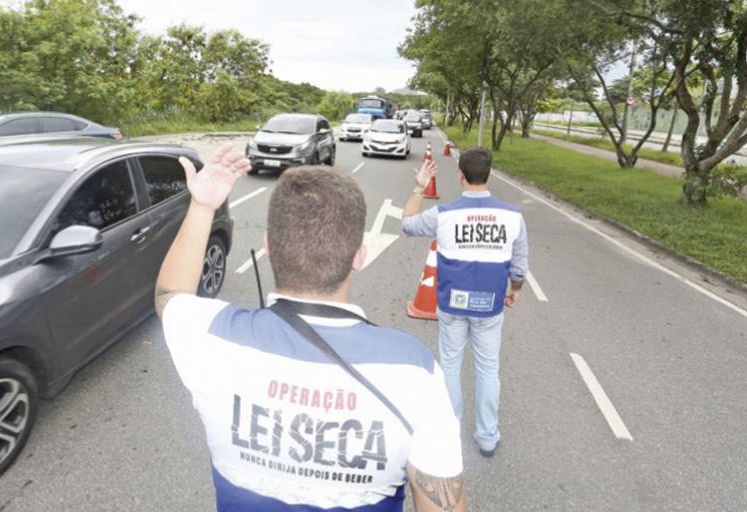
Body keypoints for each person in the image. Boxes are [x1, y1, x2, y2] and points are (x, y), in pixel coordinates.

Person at [154, 144, 466, 512]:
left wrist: (202, 206)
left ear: (268, 246)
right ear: (359, 257)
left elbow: (170, 294)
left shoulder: (213, 340)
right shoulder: (415, 371)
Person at [400, 148, 529, 458]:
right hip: (490, 307)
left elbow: (407, 224)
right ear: (489, 175)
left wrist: (420, 187)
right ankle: (487, 438)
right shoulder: (513, 216)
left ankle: (449, 433)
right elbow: (519, 265)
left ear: (460, 175)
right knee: (487, 370)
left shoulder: (443, 215)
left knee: (451, 367)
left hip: (452, 306)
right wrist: (516, 289)